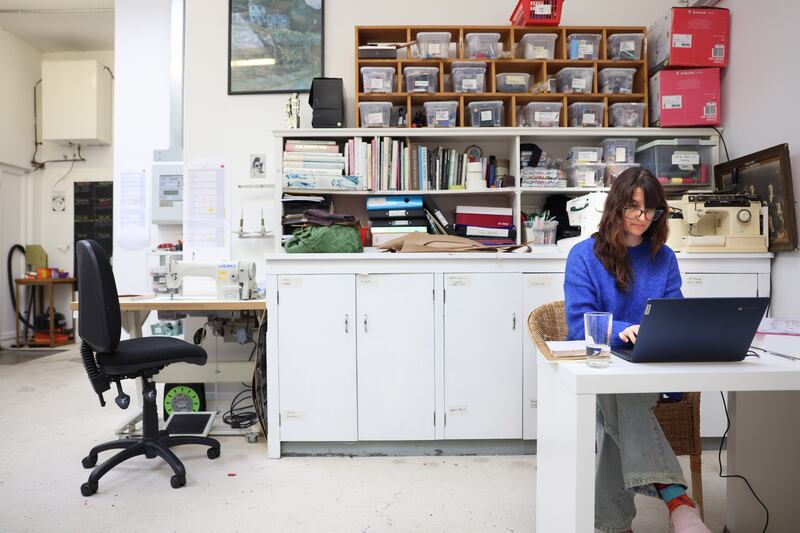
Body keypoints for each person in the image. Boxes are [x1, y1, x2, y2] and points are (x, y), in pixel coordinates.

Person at [563, 168, 711, 533]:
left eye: (651, 211)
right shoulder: (584, 255)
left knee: (618, 401)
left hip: (653, 371)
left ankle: (614, 526)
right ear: (616, 206)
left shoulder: (664, 259)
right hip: (603, 369)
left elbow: (674, 316)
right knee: (617, 396)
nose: (642, 219)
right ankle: (677, 499)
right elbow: (577, 325)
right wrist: (620, 329)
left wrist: (655, 331)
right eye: (633, 208)